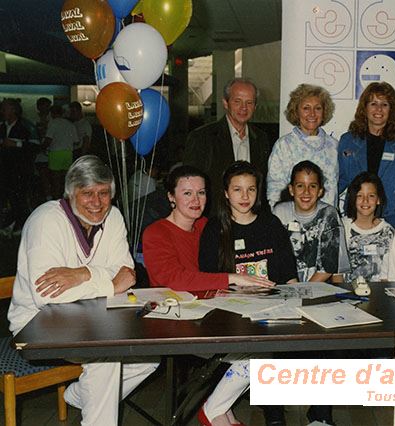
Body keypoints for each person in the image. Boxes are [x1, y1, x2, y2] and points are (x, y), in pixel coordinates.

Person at [7, 155, 158, 425]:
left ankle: (82, 395)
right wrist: (107, 282)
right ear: (70, 193)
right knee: (108, 357)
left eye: (103, 193)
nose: (97, 203)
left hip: (93, 316)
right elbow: (47, 296)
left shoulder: (113, 217)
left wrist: (82, 274)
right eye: (87, 193)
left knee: (149, 358)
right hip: (36, 322)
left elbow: (127, 274)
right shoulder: (46, 221)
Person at [197, 161, 297, 426]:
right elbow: (206, 278)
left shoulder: (271, 224)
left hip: (272, 309)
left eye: (250, 190)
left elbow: (289, 274)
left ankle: (257, 413)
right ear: (226, 193)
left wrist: (295, 304)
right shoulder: (214, 228)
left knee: (270, 346)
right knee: (259, 352)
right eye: (237, 190)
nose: (244, 197)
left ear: (258, 192)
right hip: (230, 311)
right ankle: (219, 410)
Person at [142, 165, 273, 291]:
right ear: (171, 197)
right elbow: (174, 279)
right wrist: (231, 278)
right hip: (173, 305)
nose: (196, 200)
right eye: (187, 193)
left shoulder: (207, 225)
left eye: (201, 192)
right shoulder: (156, 233)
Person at [338, 81, 395, 228]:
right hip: (358, 215)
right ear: (364, 108)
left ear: (392, 109)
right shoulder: (348, 140)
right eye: (373, 103)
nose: (379, 109)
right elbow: (339, 180)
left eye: (384, 104)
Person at [184, 78, 272, 214]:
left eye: (249, 102)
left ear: (255, 106)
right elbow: (190, 184)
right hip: (214, 219)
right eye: (237, 101)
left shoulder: (261, 138)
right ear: (225, 103)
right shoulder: (202, 137)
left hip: (252, 219)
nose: (244, 108)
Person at [273, 160, 349, 282]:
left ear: (320, 191)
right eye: (300, 186)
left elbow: (329, 266)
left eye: (312, 186)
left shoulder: (329, 214)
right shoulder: (279, 212)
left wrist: (303, 292)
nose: (306, 192)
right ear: (291, 190)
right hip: (286, 286)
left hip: (318, 286)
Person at [267, 84, 338, 208]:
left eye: (317, 108)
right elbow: (274, 189)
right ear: (296, 111)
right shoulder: (284, 145)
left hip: (326, 219)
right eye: (306, 108)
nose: (312, 114)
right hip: (292, 220)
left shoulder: (334, 146)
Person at [342, 172, 395, 282]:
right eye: (360, 196)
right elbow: (337, 273)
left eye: (371, 196)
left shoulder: (388, 231)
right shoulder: (343, 227)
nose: (365, 201)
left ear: (378, 199)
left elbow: (389, 273)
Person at [0, 98, 33, 230]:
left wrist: (16, 144)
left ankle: (19, 225)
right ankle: (8, 223)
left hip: (20, 170)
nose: (2, 111)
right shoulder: (2, 127)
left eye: (4, 108)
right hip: (3, 169)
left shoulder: (26, 126)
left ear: (13, 110)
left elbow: (35, 146)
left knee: (18, 198)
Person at [44, 104, 79, 198]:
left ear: (51, 113)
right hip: (68, 153)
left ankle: (57, 200)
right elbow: (76, 141)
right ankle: (66, 199)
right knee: (66, 180)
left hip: (55, 152)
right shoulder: (70, 124)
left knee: (55, 180)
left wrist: (42, 148)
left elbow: (48, 139)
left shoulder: (53, 123)